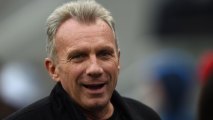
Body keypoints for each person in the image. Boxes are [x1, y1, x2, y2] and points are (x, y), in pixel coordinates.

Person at [4, 0, 161, 120]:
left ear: (118, 60)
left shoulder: (145, 116)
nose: (95, 68)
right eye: (78, 57)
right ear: (53, 69)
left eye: (104, 54)